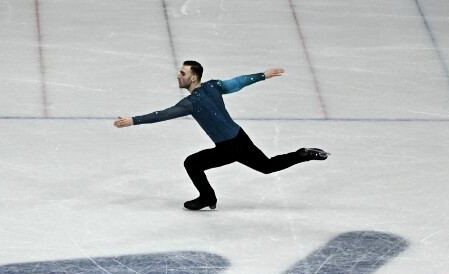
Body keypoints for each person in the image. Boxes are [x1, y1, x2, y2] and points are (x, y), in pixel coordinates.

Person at [114, 60, 329, 211]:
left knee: (192, 163)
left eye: (182, 73)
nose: (178, 76)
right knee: (267, 166)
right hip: (239, 138)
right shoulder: (214, 86)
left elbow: (164, 115)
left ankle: (208, 197)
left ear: (194, 77)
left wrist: (134, 120)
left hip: (229, 146)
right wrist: (262, 75)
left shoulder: (191, 102)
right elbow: (238, 82)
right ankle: (302, 154)